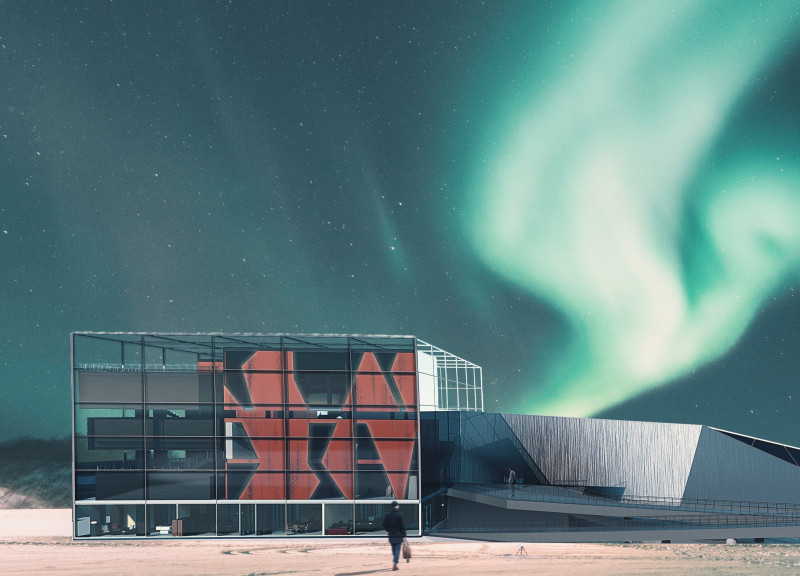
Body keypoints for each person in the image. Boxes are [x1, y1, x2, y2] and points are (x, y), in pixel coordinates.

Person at [382, 500, 406, 571]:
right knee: (397, 550)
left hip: (391, 534)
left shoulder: (387, 514)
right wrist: (404, 534)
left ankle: (395, 561)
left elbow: (384, 524)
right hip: (398, 534)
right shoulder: (399, 514)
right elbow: (402, 525)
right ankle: (395, 564)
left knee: (393, 549)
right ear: (397, 506)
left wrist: (388, 529)